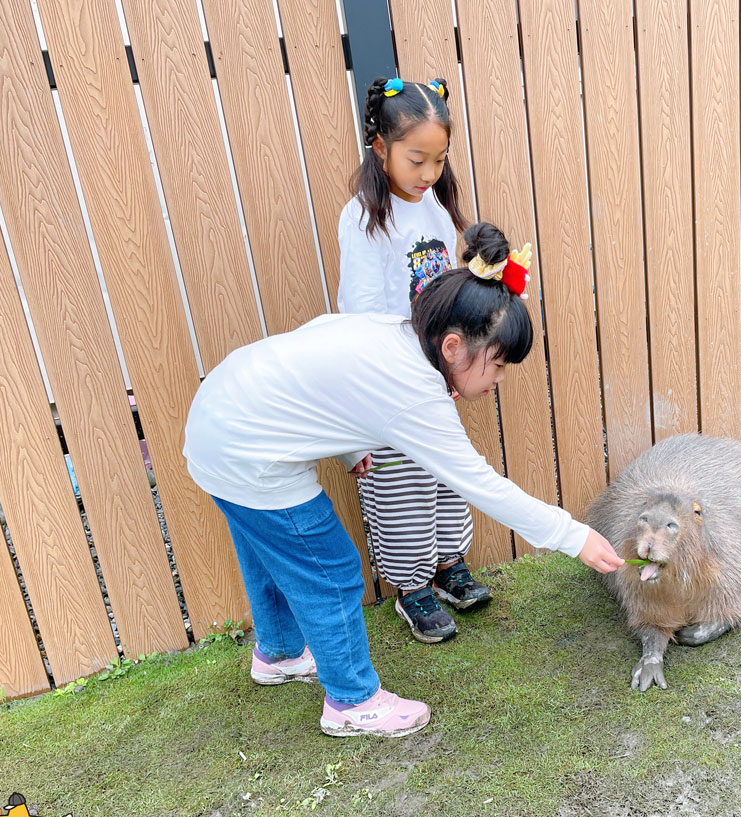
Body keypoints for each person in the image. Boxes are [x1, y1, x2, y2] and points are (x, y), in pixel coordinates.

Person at [183, 222, 623, 738]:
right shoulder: (414, 389)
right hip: (246, 451)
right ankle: (351, 701)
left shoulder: (396, 332)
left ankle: (279, 653)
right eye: (498, 366)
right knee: (329, 570)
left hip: (219, 421)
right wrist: (574, 535)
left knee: (271, 550)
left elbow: (321, 370)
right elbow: (479, 483)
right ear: (453, 346)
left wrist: (351, 447)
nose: (500, 380)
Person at [336, 76, 484, 644]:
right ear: (381, 148)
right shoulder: (364, 218)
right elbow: (361, 313)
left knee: (444, 474)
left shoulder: (436, 209)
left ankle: (447, 567)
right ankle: (412, 587)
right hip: (387, 381)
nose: (428, 174)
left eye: (438, 160)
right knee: (401, 491)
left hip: (435, 376)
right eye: (417, 160)